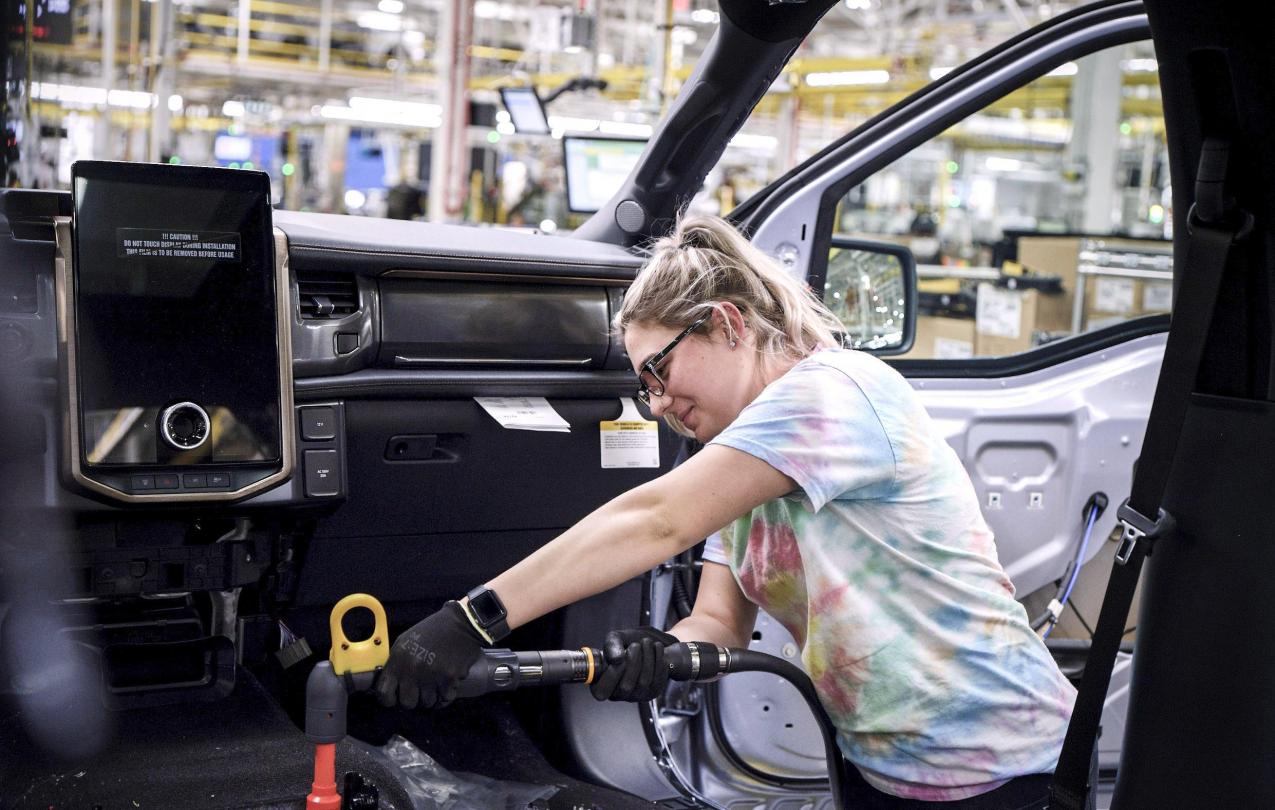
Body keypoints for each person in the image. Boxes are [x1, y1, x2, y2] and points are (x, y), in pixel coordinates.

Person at [375, 214, 1077, 807]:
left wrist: (474, 617)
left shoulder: (832, 394)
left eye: (659, 371)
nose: (655, 403)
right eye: (641, 386)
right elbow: (720, 621)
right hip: (883, 764)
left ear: (726, 324)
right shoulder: (745, 462)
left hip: (997, 756)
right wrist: (666, 653)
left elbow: (655, 519)